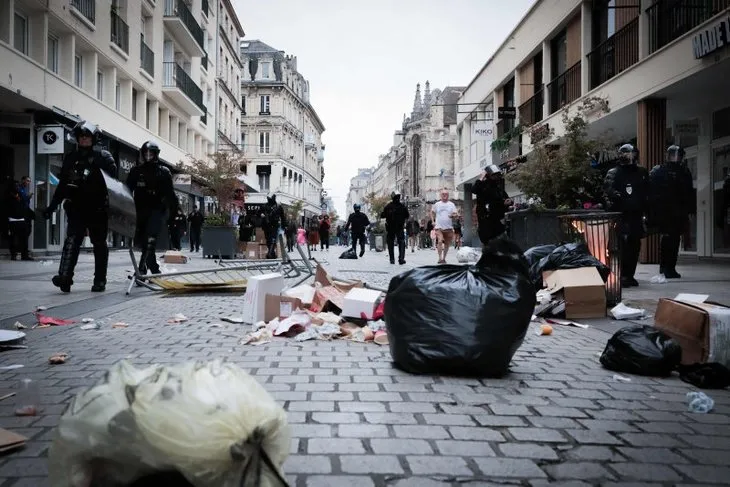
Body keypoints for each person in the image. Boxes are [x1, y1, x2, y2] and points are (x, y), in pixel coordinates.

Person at [42, 121, 116, 292]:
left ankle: (99, 280)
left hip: (97, 208)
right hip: (76, 207)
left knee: (99, 243)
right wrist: (52, 206)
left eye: (87, 136)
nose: (83, 139)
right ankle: (65, 277)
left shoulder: (103, 157)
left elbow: (113, 185)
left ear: (93, 138)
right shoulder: (71, 158)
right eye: (81, 136)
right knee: (72, 241)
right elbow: (62, 186)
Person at [125, 140, 178, 276]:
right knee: (144, 241)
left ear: (156, 154)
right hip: (140, 209)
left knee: (150, 239)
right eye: (146, 153)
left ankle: (142, 269)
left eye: (151, 153)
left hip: (156, 210)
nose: (148, 155)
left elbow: (170, 194)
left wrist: (173, 213)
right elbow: (127, 190)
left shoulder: (163, 172)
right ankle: (153, 267)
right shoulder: (136, 171)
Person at [604, 143, 649, 288]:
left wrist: (647, 209)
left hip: (636, 214)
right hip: (621, 214)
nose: (628, 157)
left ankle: (630, 275)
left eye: (630, 154)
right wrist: (614, 196)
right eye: (625, 154)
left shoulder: (641, 172)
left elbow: (647, 190)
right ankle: (623, 275)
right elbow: (607, 190)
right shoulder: (614, 172)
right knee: (622, 245)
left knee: (635, 245)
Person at [649, 145, 695, 279]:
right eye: (673, 155)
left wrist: (690, 209)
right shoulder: (660, 171)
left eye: (678, 155)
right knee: (668, 239)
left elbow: (689, 191)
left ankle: (670, 267)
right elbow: (652, 192)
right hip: (665, 211)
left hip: (679, 211)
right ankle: (665, 266)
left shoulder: (684, 171)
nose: (676, 158)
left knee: (674, 240)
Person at [472, 164, 512, 246]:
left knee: (500, 239)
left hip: (498, 218)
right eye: (494, 175)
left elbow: (505, 198)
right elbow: (474, 189)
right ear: (488, 175)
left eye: (497, 175)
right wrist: (481, 177)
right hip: (486, 219)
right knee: (488, 241)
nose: (496, 177)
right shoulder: (483, 185)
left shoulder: (498, 187)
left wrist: (509, 202)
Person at [6, 181, 33, 261]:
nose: (17, 187)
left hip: (21, 219)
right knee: (13, 238)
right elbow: (6, 208)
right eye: (15, 186)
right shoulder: (8, 196)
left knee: (24, 238)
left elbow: (24, 204)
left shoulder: (20, 195)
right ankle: (13, 255)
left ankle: (24, 255)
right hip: (12, 220)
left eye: (18, 186)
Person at [381, 191, 409, 264]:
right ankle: (401, 258)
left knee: (391, 243)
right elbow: (407, 215)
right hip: (399, 227)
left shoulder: (388, 206)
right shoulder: (402, 206)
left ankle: (392, 259)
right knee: (401, 242)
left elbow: (382, 215)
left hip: (391, 228)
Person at [431, 189, 459, 264]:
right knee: (440, 241)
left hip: (448, 227)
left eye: (446, 194)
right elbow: (432, 212)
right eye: (443, 194)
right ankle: (440, 258)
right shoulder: (437, 204)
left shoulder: (451, 204)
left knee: (447, 244)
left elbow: (456, 215)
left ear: (448, 195)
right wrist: (433, 221)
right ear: (440, 195)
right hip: (439, 227)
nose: (444, 195)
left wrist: (453, 215)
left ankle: (444, 258)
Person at [261, 193, 286, 259]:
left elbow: (282, 217)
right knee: (269, 239)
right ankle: (272, 253)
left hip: (274, 225)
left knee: (273, 239)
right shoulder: (264, 206)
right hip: (266, 225)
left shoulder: (278, 206)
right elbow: (258, 213)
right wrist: (262, 215)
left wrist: (284, 225)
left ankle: (270, 253)